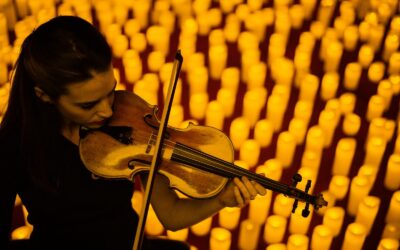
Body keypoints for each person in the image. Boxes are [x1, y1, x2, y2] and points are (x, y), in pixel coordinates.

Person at [0, 16, 266, 250]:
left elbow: (171, 215)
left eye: (110, 92)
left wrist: (221, 199)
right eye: (88, 105)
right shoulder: (14, 145)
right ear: (44, 97)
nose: (106, 111)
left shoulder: (129, 116)